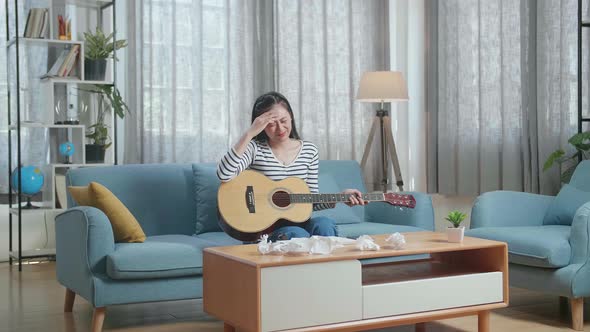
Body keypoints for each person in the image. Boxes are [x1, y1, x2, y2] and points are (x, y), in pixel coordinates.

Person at [217, 91, 366, 241]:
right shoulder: (254, 149)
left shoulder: (309, 151)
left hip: (298, 224)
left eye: (283, 120)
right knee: (297, 234)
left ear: (291, 117)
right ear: (261, 126)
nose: (280, 129)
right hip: (263, 230)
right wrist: (249, 133)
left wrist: (339, 197)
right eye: (271, 124)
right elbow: (224, 174)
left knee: (325, 224)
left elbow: (311, 202)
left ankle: (328, 264)